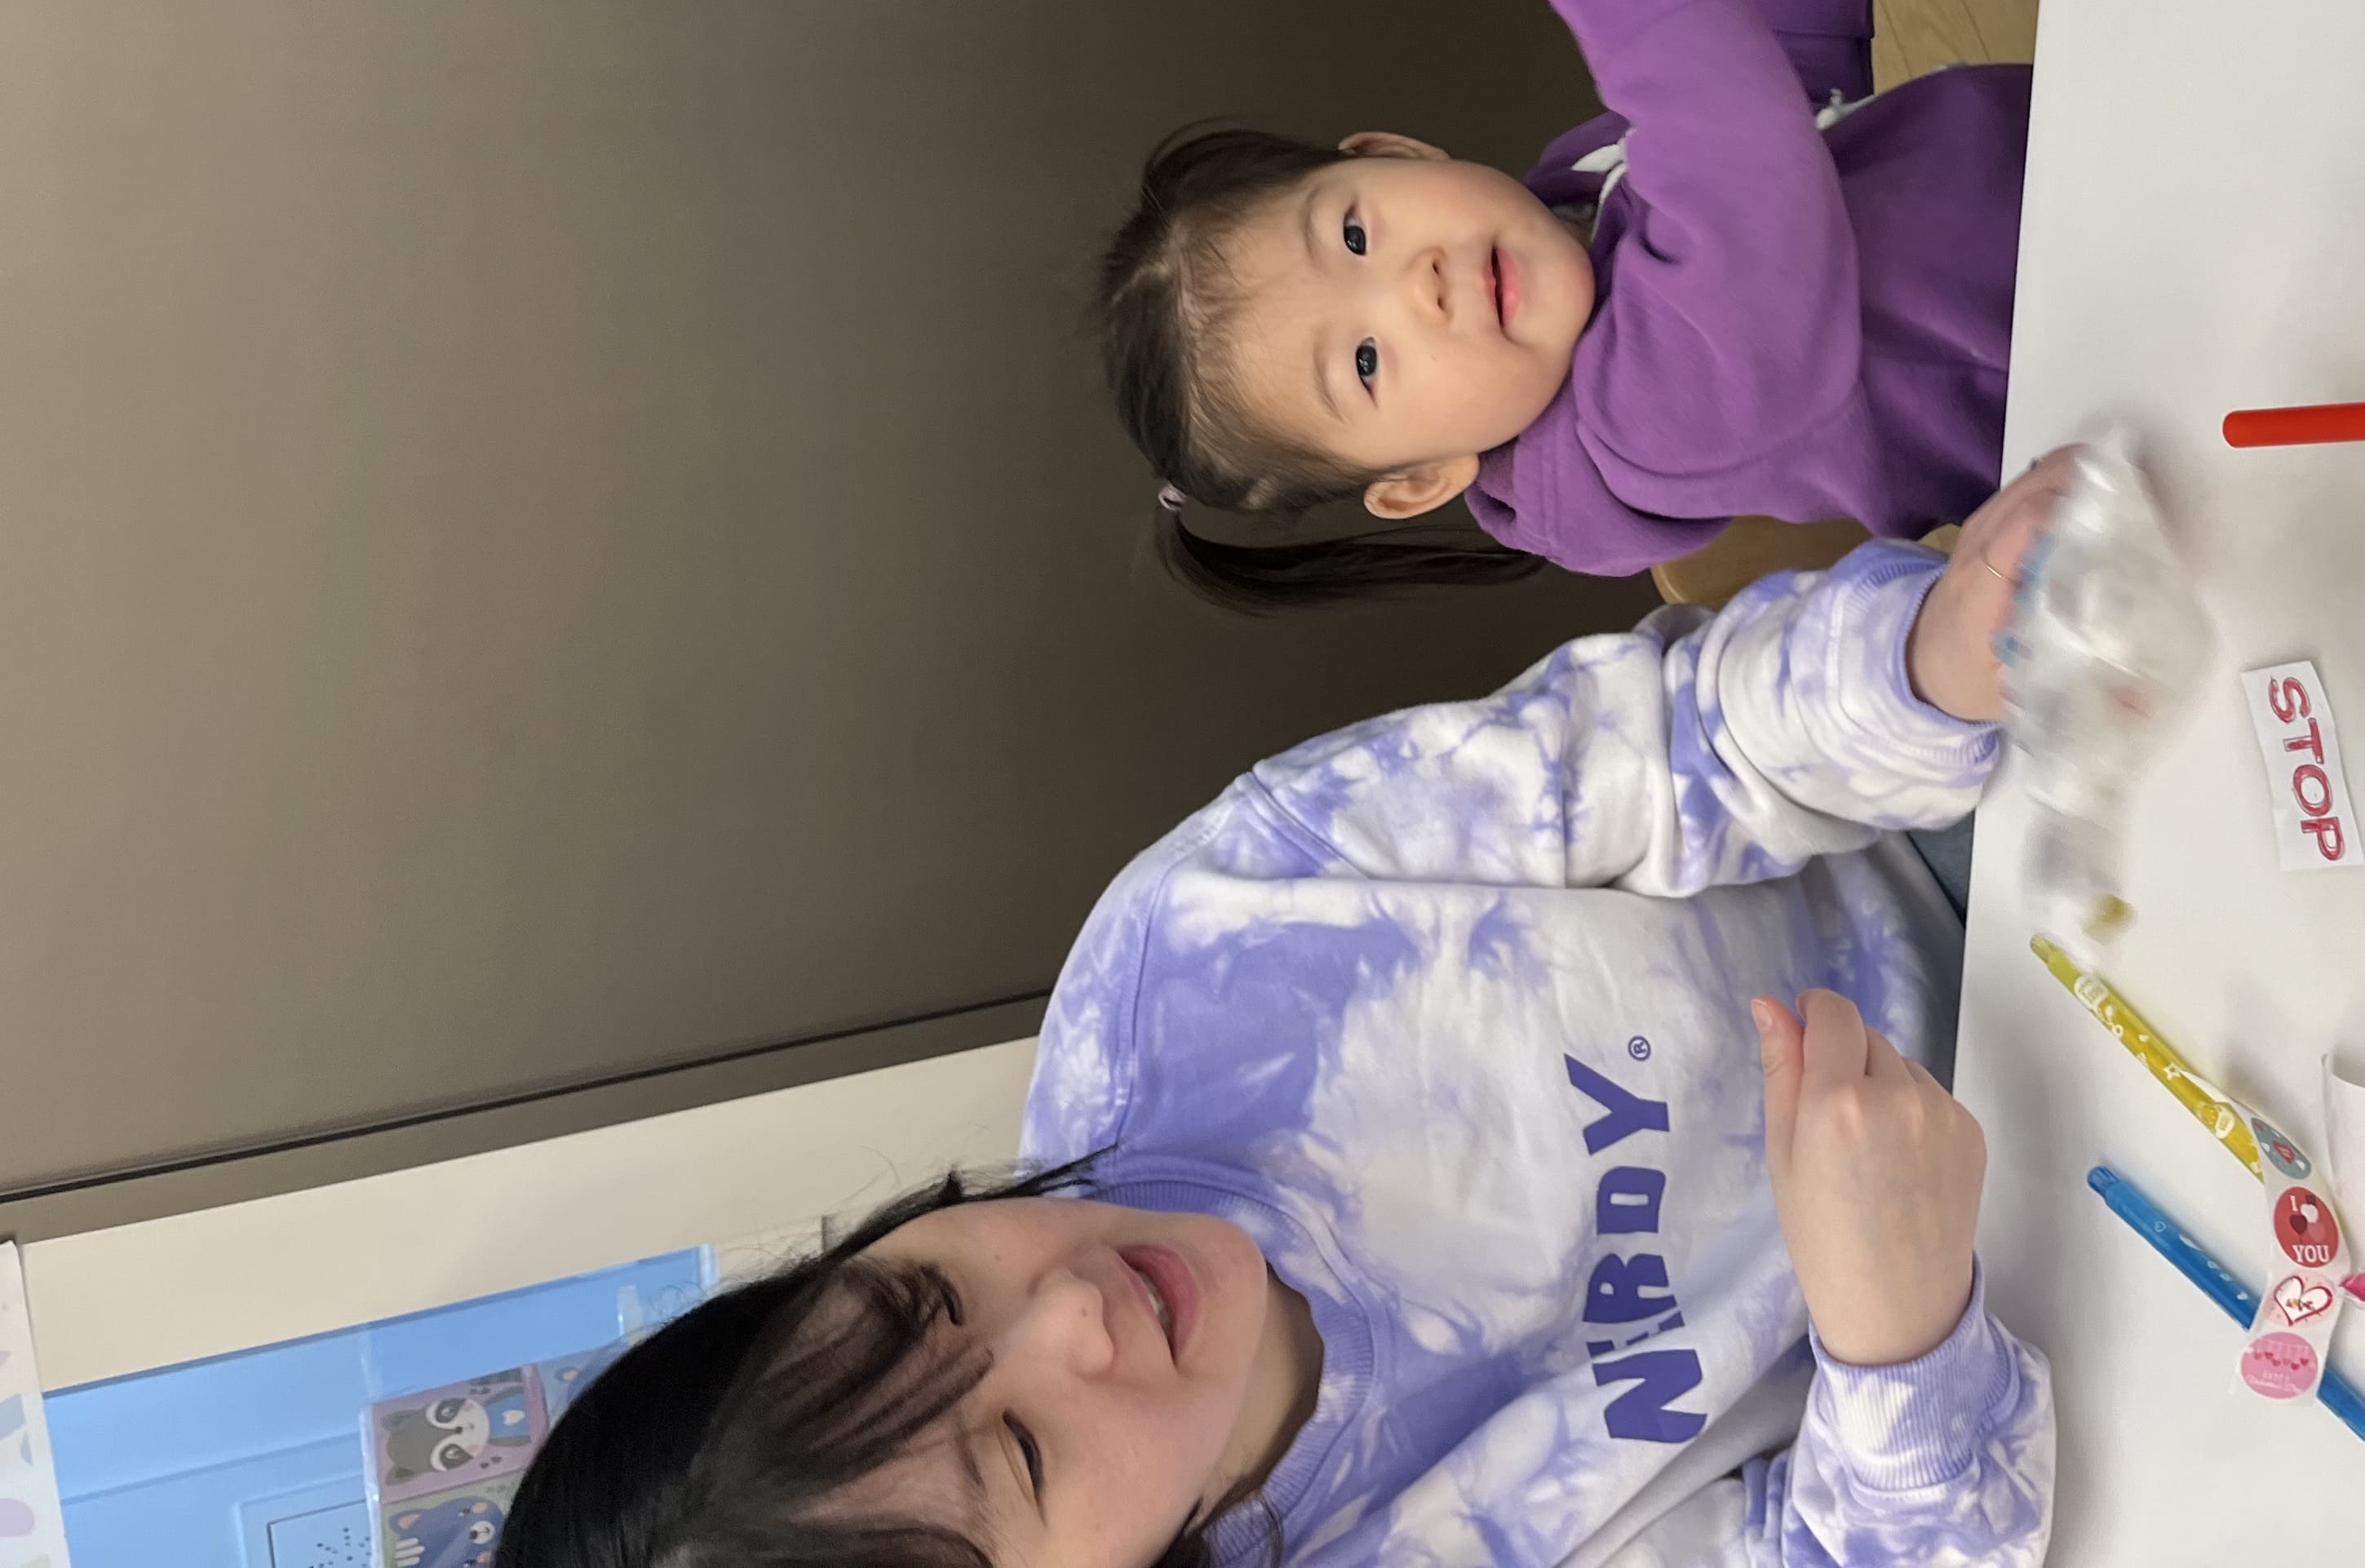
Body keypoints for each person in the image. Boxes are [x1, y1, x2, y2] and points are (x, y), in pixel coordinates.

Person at [489, 463, 2073, 1568]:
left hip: (1987, 841)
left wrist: (1925, 667)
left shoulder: (1193, 950)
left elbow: (1674, 746)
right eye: (1026, 1453)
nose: (1070, 1310)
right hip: (2072, 1288)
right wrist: (1898, 1332)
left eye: (930, 1301)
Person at [1099, 0, 2027, 605]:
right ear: (1423, 479)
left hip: (2049, 163)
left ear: (1398, 154)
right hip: (2072, 331)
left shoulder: (1573, 188)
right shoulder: (1644, 429)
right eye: (1366, 362)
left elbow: (1788, 132)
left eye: (1353, 236)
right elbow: (1748, 183)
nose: (1418, 286)